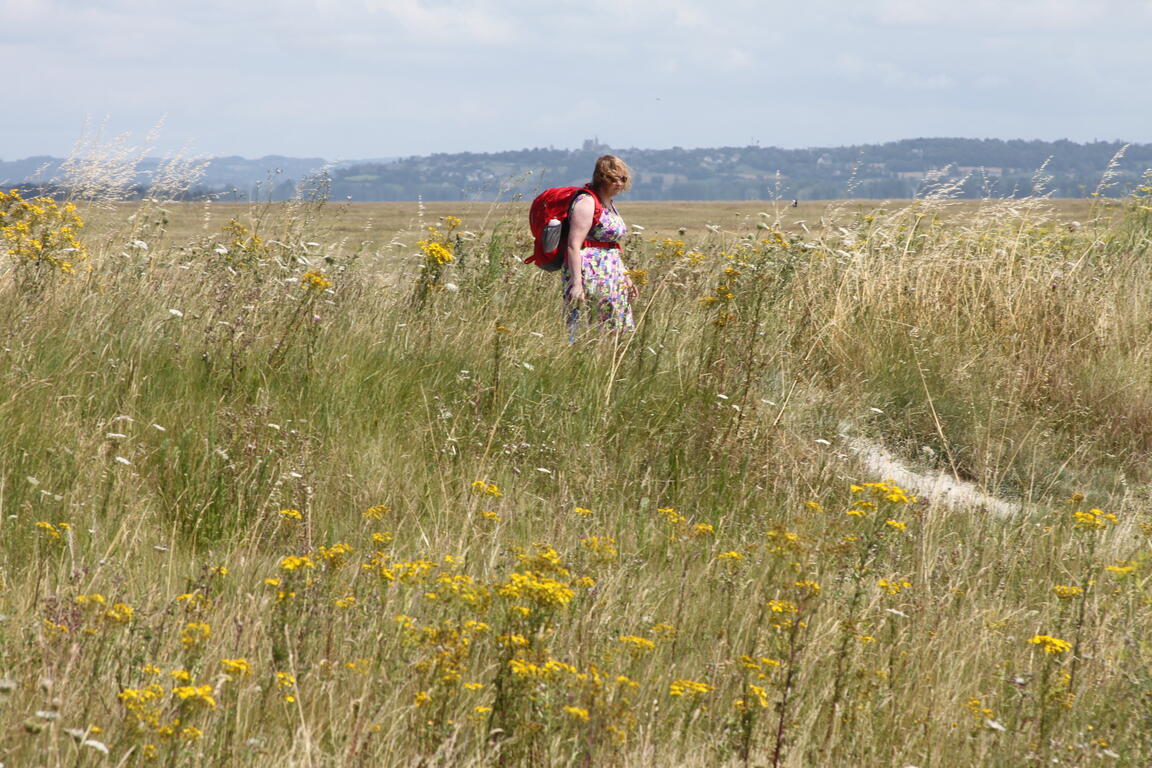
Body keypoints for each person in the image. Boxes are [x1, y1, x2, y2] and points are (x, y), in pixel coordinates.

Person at [563, 155, 638, 339]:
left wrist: (626, 277)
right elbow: (573, 245)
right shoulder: (587, 202)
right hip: (590, 272)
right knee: (591, 327)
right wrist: (577, 283)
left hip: (612, 273)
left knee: (615, 329)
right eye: (613, 179)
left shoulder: (610, 205)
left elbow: (612, 246)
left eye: (623, 179)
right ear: (602, 178)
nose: (619, 184)